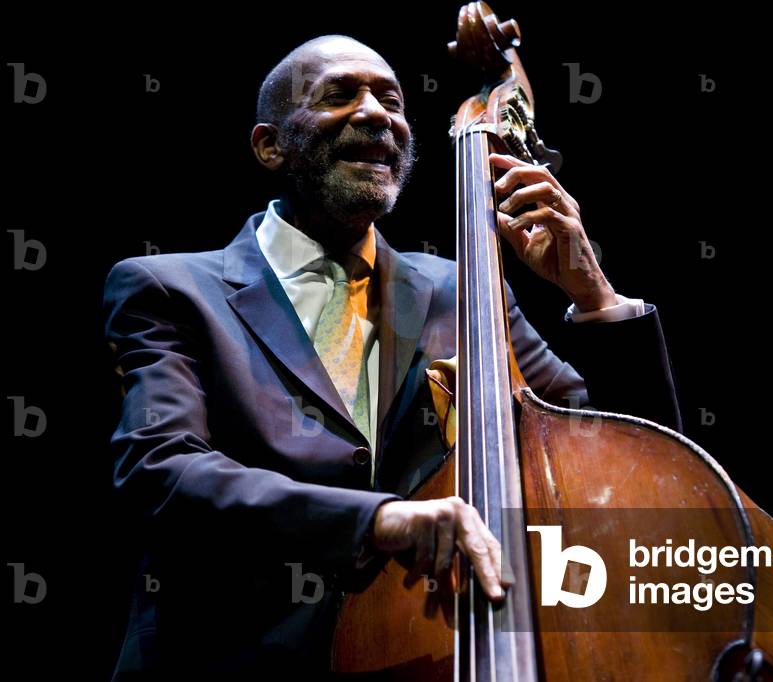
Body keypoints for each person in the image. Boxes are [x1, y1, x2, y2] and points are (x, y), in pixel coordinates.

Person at [103, 35, 682, 678]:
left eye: (392, 100)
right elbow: (160, 471)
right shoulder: (171, 290)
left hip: (416, 657)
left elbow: (636, 460)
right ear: (270, 145)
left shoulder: (462, 292)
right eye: (339, 95)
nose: (376, 112)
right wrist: (376, 519)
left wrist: (593, 294)